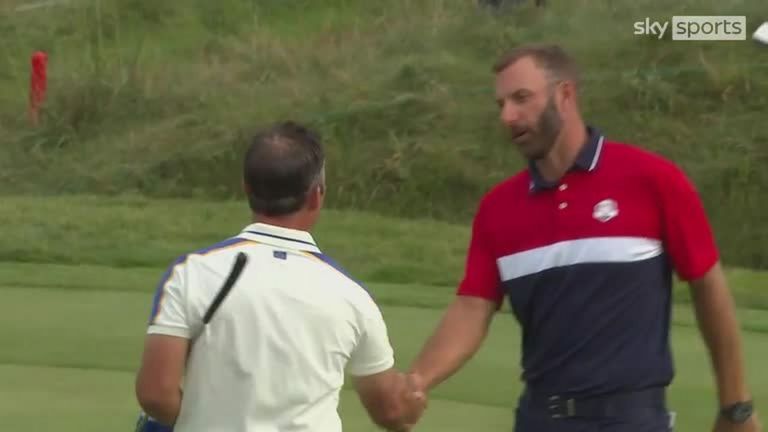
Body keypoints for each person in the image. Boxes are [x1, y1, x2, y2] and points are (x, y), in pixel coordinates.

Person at [407, 43, 761, 431]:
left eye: (521, 98)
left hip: (631, 420)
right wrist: (418, 381)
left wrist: (736, 406)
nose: (508, 116)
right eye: (501, 104)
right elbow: (472, 308)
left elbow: (708, 285)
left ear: (565, 95)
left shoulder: (653, 180)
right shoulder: (498, 208)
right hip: (539, 419)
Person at [134, 121, 426, 432]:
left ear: (246, 188)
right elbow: (391, 411)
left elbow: (156, 394)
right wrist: (411, 400)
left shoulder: (192, 273)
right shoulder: (352, 296)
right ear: (317, 196)